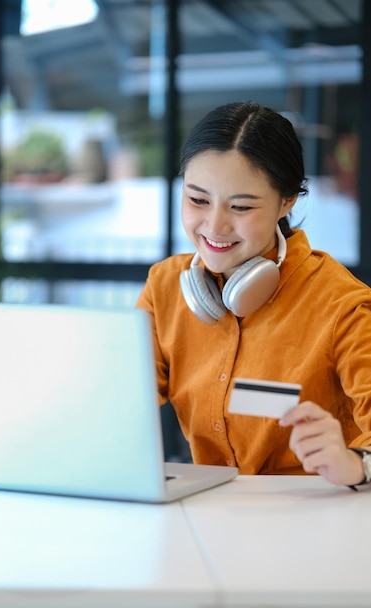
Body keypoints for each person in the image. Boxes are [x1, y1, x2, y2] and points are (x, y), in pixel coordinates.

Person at [136, 100, 371, 489]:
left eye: (241, 206)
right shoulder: (165, 288)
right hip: (209, 515)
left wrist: (357, 463)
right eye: (197, 200)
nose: (214, 225)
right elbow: (118, 406)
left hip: (318, 520)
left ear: (287, 201)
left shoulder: (342, 304)